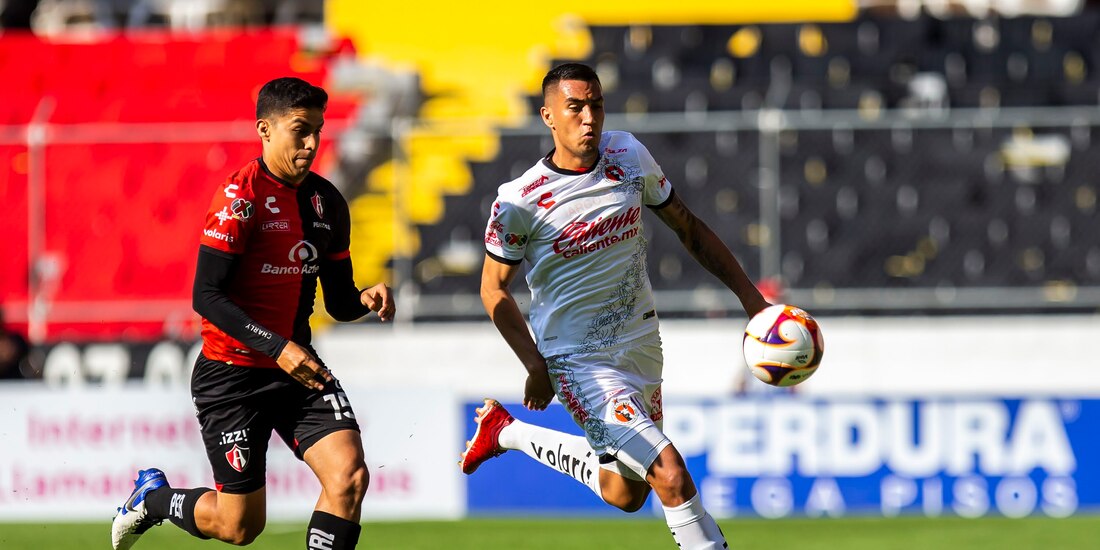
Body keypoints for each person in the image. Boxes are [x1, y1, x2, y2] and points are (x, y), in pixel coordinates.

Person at [460, 63, 770, 549]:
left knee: (625, 492)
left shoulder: (628, 155)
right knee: (671, 475)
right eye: (575, 107)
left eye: (596, 105)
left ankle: (507, 433)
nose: (589, 118)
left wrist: (753, 301)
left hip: (641, 346)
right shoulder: (520, 201)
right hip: (577, 361)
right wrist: (534, 364)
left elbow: (687, 227)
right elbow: (493, 289)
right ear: (548, 116)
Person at [111, 77, 395, 550]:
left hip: (295, 370)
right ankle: (154, 499)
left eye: (318, 131)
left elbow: (339, 302)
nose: (311, 143)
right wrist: (277, 347)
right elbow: (206, 295)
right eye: (299, 130)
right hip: (232, 376)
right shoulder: (238, 198)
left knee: (349, 477)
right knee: (238, 528)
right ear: (265, 130)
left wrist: (365, 299)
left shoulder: (327, 203)